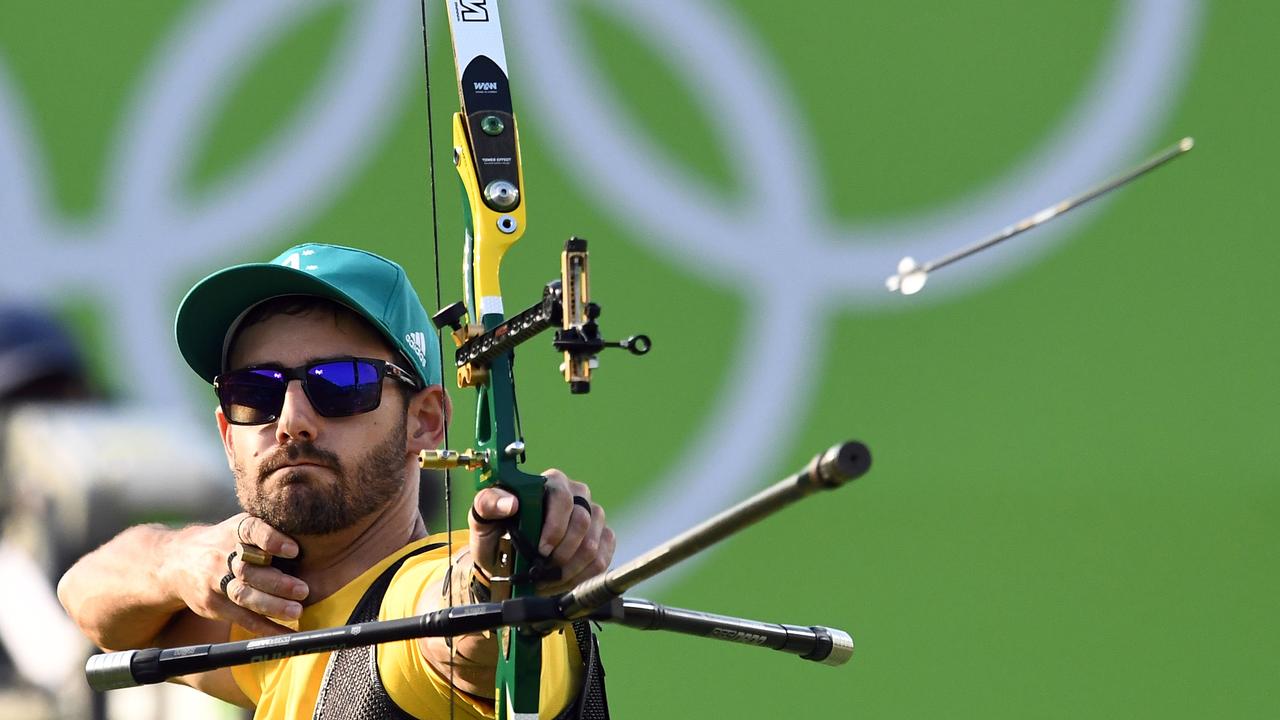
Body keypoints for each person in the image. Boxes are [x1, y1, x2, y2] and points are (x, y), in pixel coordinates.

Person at [57, 243, 615, 719]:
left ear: (424, 421)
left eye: (340, 383)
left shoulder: (413, 597)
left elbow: (461, 640)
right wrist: (179, 559)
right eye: (255, 391)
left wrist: (508, 574)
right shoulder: (273, 620)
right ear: (228, 434)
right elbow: (86, 597)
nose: (292, 420)